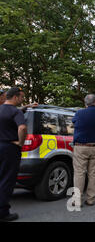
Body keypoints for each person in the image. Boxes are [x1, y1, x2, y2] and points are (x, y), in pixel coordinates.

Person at [72, 94, 95, 206]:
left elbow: (74, 123)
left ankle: (77, 200)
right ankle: (91, 199)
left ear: (85, 102)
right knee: (93, 174)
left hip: (81, 147)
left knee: (79, 173)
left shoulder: (79, 113)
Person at [0, 87, 27, 222]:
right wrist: (20, 142)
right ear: (15, 97)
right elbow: (22, 127)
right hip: (9, 148)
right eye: (21, 97)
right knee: (7, 179)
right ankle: (3, 213)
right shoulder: (15, 112)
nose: (22, 100)